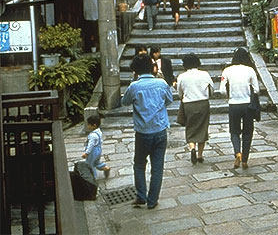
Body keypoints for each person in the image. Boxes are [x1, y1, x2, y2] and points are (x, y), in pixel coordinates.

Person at [121, 54, 172, 209]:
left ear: (135, 70)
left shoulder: (134, 86)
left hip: (143, 132)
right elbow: (169, 101)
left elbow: (124, 102)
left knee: (139, 164)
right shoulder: (162, 84)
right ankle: (152, 200)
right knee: (157, 167)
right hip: (160, 130)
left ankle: (141, 196)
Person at [219, 47, 259, 169]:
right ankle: (245, 160)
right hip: (248, 105)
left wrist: (228, 97)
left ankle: (238, 152)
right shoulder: (250, 70)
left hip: (234, 104)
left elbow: (221, 90)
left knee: (234, 131)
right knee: (248, 132)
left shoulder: (227, 70)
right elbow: (256, 89)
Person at [176, 54, 214, 165]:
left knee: (190, 127)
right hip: (203, 103)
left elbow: (180, 93)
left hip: (188, 105)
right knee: (203, 128)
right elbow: (211, 89)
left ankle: (192, 148)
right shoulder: (204, 74)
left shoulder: (182, 76)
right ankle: (200, 155)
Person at [82, 115, 111, 179]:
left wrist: (86, 153)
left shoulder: (93, 135)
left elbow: (90, 145)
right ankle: (105, 168)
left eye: (89, 125)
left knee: (90, 165)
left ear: (94, 125)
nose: (88, 126)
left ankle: (93, 178)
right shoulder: (99, 131)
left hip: (93, 152)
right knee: (96, 163)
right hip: (98, 150)